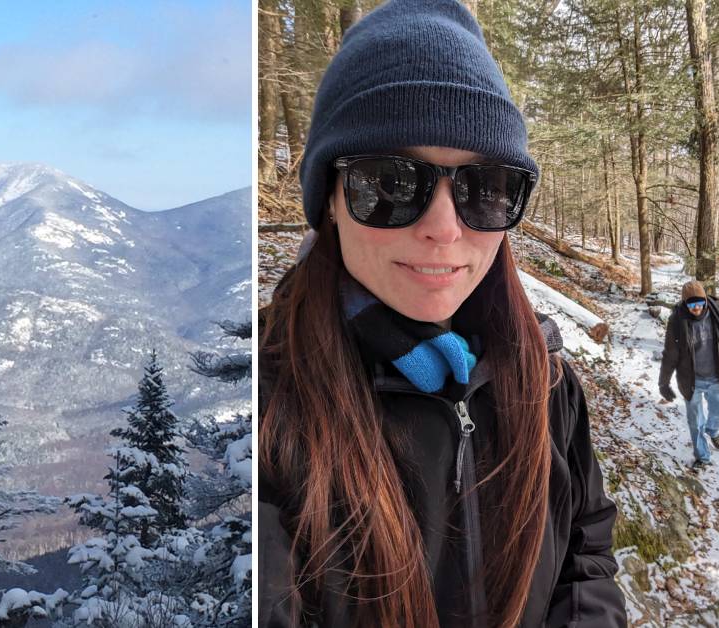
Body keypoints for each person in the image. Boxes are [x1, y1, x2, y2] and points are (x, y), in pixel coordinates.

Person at [257, 1, 627, 626]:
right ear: (330, 201)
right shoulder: (270, 413)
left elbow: (587, 550)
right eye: (393, 182)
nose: (444, 228)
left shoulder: (545, 382)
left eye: (485, 187)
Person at [658, 280, 719, 470]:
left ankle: (714, 431)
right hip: (691, 380)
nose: (696, 308)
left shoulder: (718, 314)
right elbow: (671, 354)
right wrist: (663, 383)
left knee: (718, 411)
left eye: (700, 303)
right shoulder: (677, 320)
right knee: (695, 421)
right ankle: (703, 457)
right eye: (692, 304)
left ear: (705, 301)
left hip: (716, 376)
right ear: (685, 304)